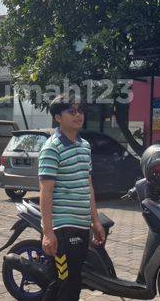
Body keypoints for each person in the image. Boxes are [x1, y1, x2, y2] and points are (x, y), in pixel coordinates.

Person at [38, 94, 106, 301]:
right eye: (72, 111)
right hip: (62, 229)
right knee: (66, 282)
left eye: (80, 111)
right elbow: (45, 191)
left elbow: (87, 186)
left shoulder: (84, 146)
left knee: (72, 281)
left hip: (81, 226)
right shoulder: (52, 147)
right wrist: (48, 232)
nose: (78, 115)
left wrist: (95, 221)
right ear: (58, 117)